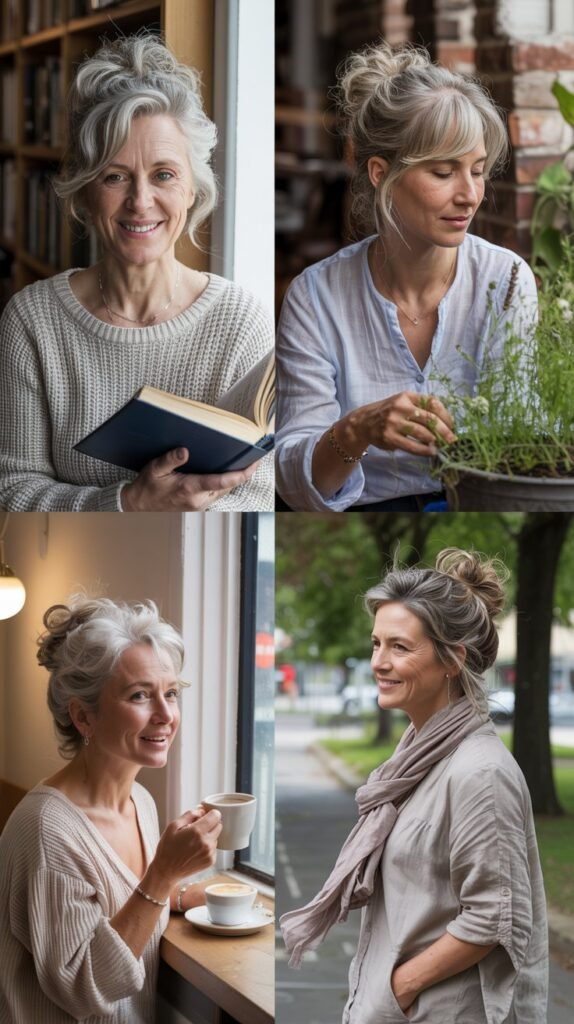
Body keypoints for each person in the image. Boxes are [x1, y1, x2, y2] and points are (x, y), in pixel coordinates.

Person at [0, 34, 273, 512]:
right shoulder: (32, 320)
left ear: (192, 189)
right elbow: (10, 489)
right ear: (86, 192)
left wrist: (184, 509)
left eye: (164, 174)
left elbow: (260, 493)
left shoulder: (242, 320)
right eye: (116, 176)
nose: (141, 201)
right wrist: (129, 503)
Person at [281, 549, 548, 1023]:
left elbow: (495, 916)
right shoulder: (417, 757)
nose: (378, 662)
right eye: (376, 643)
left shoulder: (480, 774)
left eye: (399, 647)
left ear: (452, 659)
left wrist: (398, 988)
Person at [275, 43, 538, 511]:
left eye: (477, 171)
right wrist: (357, 430)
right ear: (382, 173)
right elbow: (296, 484)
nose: (469, 194)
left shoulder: (506, 280)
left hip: (476, 504)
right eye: (444, 172)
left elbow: (517, 448)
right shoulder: (315, 297)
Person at [0, 597, 223, 1023]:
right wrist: (163, 874)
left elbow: (117, 904)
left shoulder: (141, 802)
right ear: (84, 717)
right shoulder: (47, 831)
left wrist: (177, 893)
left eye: (171, 694)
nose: (166, 715)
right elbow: (84, 989)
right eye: (140, 695)